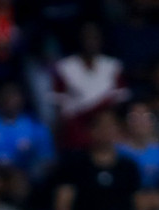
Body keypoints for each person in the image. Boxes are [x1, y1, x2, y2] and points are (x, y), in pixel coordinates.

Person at [53, 107, 144, 210]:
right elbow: (62, 207)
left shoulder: (128, 167)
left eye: (111, 126)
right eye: (101, 126)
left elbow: (138, 206)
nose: (106, 131)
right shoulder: (75, 164)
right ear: (91, 131)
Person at [51, 21, 129, 150]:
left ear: (101, 40)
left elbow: (120, 101)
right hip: (77, 129)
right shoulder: (64, 67)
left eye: (95, 37)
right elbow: (60, 106)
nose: (90, 42)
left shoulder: (112, 65)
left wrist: (104, 123)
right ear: (79, 39)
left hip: (106, 127)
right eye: (86, 37)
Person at [0, 81, 54, 181]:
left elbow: (46, 159)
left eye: (13, 95)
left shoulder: (36, 127)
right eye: (5, 95)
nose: (9, 99)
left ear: (22, 98)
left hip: (25, 178)